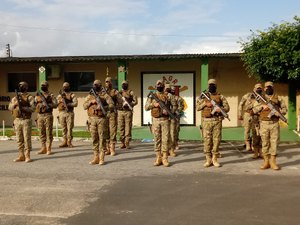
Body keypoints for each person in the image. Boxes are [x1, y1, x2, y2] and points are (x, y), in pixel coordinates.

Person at [253, 81, 287, 170]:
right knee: (265, 143)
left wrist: (278, 112)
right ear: (264, 88)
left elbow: (284, 109)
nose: (268, 88)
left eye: (270, 87)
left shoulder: (278, 98)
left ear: (273, 88)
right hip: (264, 123)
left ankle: (273, 162)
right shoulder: (261, 98)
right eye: (267, 87)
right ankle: (266, 161)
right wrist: (262, 107)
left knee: (274, 143)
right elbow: (254, 110)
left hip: (274, 124)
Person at [196, 79, 230, 168]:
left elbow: (227, 107)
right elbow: (197, 107)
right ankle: (208, 159)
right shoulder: (203, 96)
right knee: (207, 141)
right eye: (210, 85)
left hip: (217, 121)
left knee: (216, 140)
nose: (211, 86)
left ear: (216, 86)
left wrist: (221, 109)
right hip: (206, 121)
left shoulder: (220, 96)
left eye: (213, 85)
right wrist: (205, 104)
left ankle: (215, 159)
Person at [145, 80, 176, 167]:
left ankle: (165, 158)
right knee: (157, 138)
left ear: (163, 86)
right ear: (155, 86)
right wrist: (153, 105)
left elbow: (175, 106)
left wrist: (169, 111)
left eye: (161, 85)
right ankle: (158, 158)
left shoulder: (168, 95)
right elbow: (146, 107)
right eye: (158, 85)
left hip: (165, 120)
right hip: (155, 120)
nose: (159, 86)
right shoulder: (152, 97)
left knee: (165, 139)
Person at [83, 80, 114, 165]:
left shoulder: (105, 95)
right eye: (94, 85)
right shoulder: (90, 96)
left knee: (102, 138)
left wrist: (103, 106)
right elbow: (84, 106)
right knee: (94, 138)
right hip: (92, 119)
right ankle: (95, 157)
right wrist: (91, 102)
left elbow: (112, 105)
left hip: (101, 119)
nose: (96, 86)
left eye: (97, 85)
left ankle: (101, 158)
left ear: (100, 86)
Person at [8, 82, 35, 163]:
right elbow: (10, 107)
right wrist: (15, 104)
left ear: (26, 87)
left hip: (26, 120)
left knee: (27, 138)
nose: (21, 87)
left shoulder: (30, 97)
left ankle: (27, 156)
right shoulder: (15, 97)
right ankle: (21, 155)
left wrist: (23, 108)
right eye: (20, 86)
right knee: (19, 139)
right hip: (17, 120)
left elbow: (33, 108)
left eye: (23, 86)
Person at [238, 83, 263, 158]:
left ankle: (254, 146)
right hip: (248, 114)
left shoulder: (262, 97)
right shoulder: (248, 95)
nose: (259, 89)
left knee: (256, 130)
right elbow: (241, 104)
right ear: (254, 88)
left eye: (260, 88)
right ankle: (248, 144)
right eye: (257, 88)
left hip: (257, 115)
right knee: (247, 130)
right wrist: (239, 113)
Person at [35, 81, 57, 155]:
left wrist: (48, 105)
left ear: (47, 86)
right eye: (42, 85)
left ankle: (49, 148)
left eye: (44, 85)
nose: (42, 87)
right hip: (40, 115)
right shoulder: (38, 95)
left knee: (49, 132)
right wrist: (40, 105)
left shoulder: (51, 95)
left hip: (48, 115)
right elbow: (33, 105)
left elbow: (56, 104)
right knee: (41, 132)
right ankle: (43, 147)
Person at [56, 82, 78, 148]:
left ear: (69, 87)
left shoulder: (72, 95)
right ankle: (64, 141)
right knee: (63, 128)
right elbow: (55, 103)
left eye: (66, 86)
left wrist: (68, 104)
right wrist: (60, 101)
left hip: (69, 113)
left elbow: (75, 103)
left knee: (69, 128)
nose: (65, 87)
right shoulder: (60, 95)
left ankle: (69, 142)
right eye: (64, 86)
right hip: (62, 113)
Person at [117, 80, 138, 149]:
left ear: (127, 85)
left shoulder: (131, 92)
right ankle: (122, 142)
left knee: (128, 127)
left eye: (125, 84)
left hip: (128, 111)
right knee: (121, 127)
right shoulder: (119, 93)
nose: (124, 85)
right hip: (120, 111)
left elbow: (135, 101)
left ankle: (127, 142)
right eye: (123, 84)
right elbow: (115, 101)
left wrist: (130, 104)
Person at [104, 77, 121, 156]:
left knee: (113, 130)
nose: (108, 83)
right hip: (104, 113)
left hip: (112, 113)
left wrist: (115, 107)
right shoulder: (102, 92)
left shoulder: (115, 92)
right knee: (105, 130)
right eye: (106, 82)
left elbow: (120, 102)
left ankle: (112, 148)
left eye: (109, 82)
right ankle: (107, 148)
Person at [165, 84, 178, 157]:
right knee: (165, 134)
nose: (167, 90)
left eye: (168, 89)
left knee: (172, 134)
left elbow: (175, 106)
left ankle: (172, 150)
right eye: (166, 88)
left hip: (171, 117)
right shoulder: (162, 96)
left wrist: (171, 112)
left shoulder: (171, 96)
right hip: (164, 118)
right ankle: (165, 150)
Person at [171, 86, 184, 152]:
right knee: (169, 131)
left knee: (176, 130)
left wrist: (176, 111)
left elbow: (181, 106)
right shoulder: (167, 97)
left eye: (173, 90)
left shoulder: (178, 98)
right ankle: (170, 144)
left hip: (175, 116)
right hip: (168, 117)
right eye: (171, 90)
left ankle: (176, 143)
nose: (172, 91)